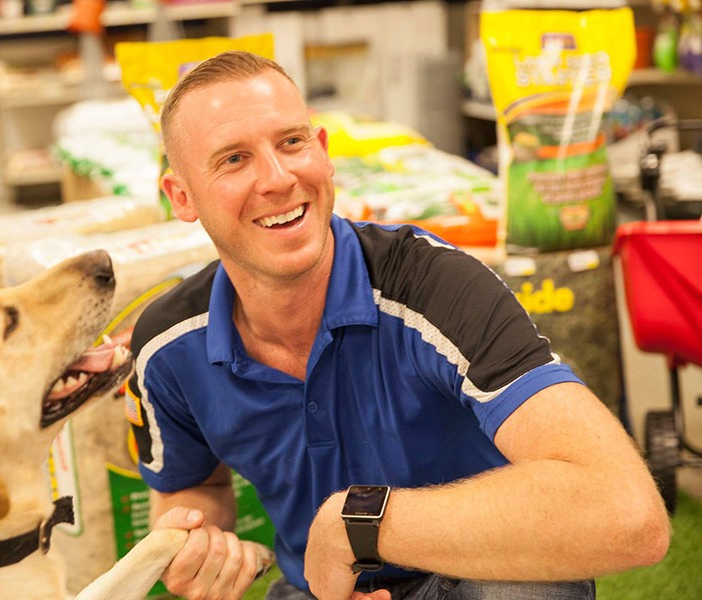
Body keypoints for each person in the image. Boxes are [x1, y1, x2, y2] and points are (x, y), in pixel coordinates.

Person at [123, 50, 670, 600]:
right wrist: (194, 540)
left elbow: (628, 513)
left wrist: (360, 525)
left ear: (323, 152)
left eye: (291, 142)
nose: (278, 177)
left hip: (483, 577)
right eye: (234, 159)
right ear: (182, 197)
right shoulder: (166, 346)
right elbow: (192, 486)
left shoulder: (438, 287)